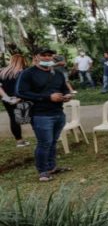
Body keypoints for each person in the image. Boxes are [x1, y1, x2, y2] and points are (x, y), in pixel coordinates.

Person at [15, 48, 73, 182]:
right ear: (36, 57)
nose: (47, 58)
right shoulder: (28, 73)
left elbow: (64, 88)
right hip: (40, 114)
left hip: (58, 113)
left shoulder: (57, 73)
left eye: (50, 55)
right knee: (44, 143)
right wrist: (48, 97)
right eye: (44, 55)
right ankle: (43, 172)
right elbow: (21, 92)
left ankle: (52, 167)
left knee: (53, 142)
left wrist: (67, 95)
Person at [0, 54, 30, 147]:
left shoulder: (2, 72)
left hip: (6, 99)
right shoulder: (23, 72)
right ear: (22, 61)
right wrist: (19, 98)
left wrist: (7, 98)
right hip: (20, 98)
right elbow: (25, 88)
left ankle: (19, 141)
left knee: (13, 119)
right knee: (29, 116)